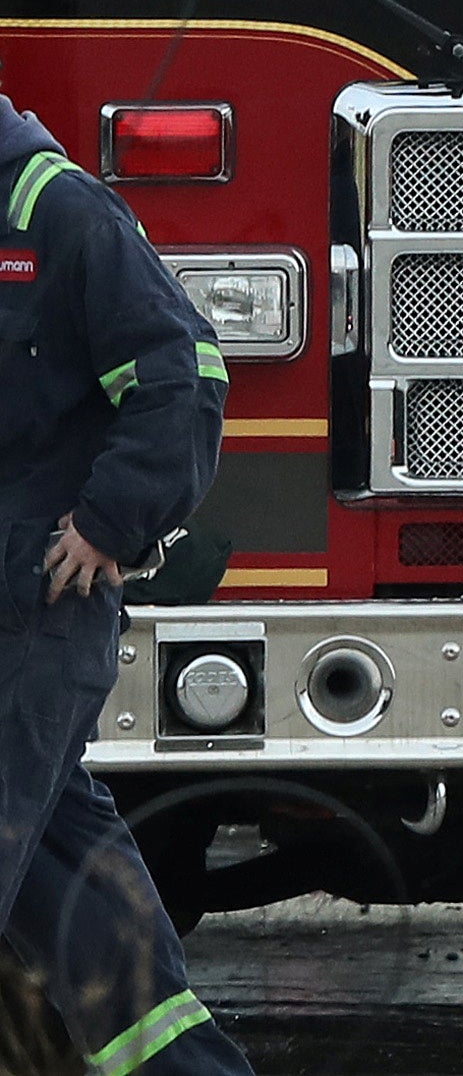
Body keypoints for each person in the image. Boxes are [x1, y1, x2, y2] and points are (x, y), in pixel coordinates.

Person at [0, 88, 249, 1076]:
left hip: (35, 618)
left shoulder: (58, 211)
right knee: (83, 905)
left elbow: (180, 371)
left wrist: (110, 521)